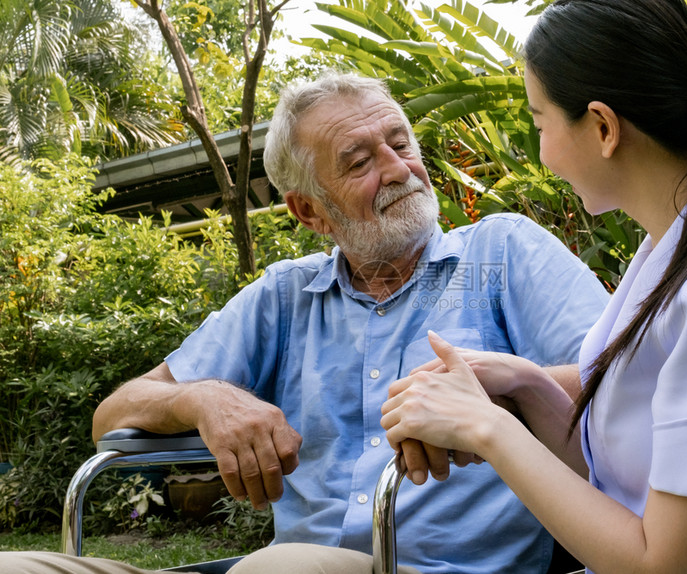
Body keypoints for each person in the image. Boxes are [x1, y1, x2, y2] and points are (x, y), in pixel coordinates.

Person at [4, 72, 608, 574]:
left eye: (401, 144)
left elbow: (618, 379)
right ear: (308, 210)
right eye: (360, 162)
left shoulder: (503, 252)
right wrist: (204, 399)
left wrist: (492, 389)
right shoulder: (285, 295)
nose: (397, 169)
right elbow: (112, 415)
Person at [381, 0, 687, 573]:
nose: (542, 152)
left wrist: (486, 428)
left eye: (541, 123)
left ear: (604, 128)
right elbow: (615, 473)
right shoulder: (672, 252)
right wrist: (526, 383)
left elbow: (664, 566)